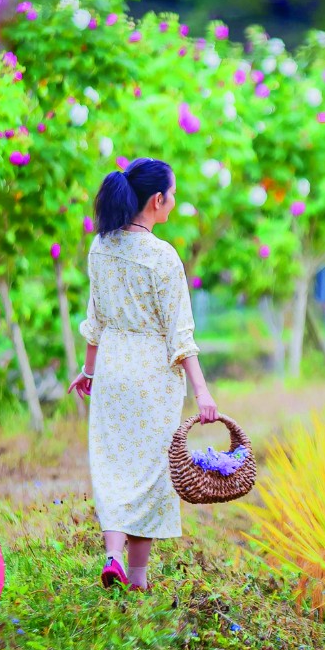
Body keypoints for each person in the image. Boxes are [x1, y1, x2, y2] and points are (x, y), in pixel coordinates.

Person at [67, 157, 218, 591]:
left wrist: (88, 373)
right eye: (172, 196)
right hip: (152, 376)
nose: (173, 203)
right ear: (157, 200)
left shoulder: (101, 247)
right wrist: (203, 392)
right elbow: (181, 337)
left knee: (113, 465)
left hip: (113, 368)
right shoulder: (163, 257)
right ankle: (137, 578)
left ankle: (111, 555)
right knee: (151, 471)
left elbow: (95, 322)